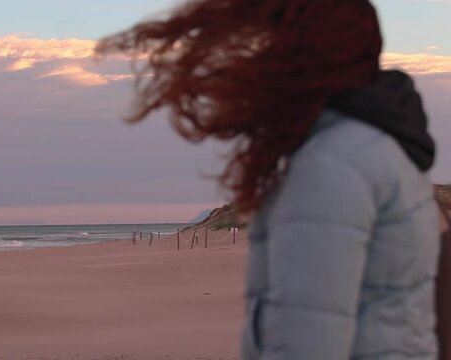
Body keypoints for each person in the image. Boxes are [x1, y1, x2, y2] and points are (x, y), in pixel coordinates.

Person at [96, 0, 440, 359]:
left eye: (273, 44)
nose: (257, 59)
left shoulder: (330, 165)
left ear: (301, 53)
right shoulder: (380, 144)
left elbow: (307, 341)